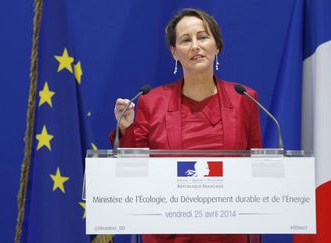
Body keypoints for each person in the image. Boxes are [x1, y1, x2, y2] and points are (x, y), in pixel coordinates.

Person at [110, 8, 263, 243]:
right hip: (169, 234)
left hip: (229, 232)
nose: (195, 46)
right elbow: (134, 168)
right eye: (185, 40)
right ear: (174, 52)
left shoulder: (244, 98)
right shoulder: (152, 101)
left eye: (203, 37)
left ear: (217, 46)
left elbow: (258, 167)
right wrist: (125, 128)